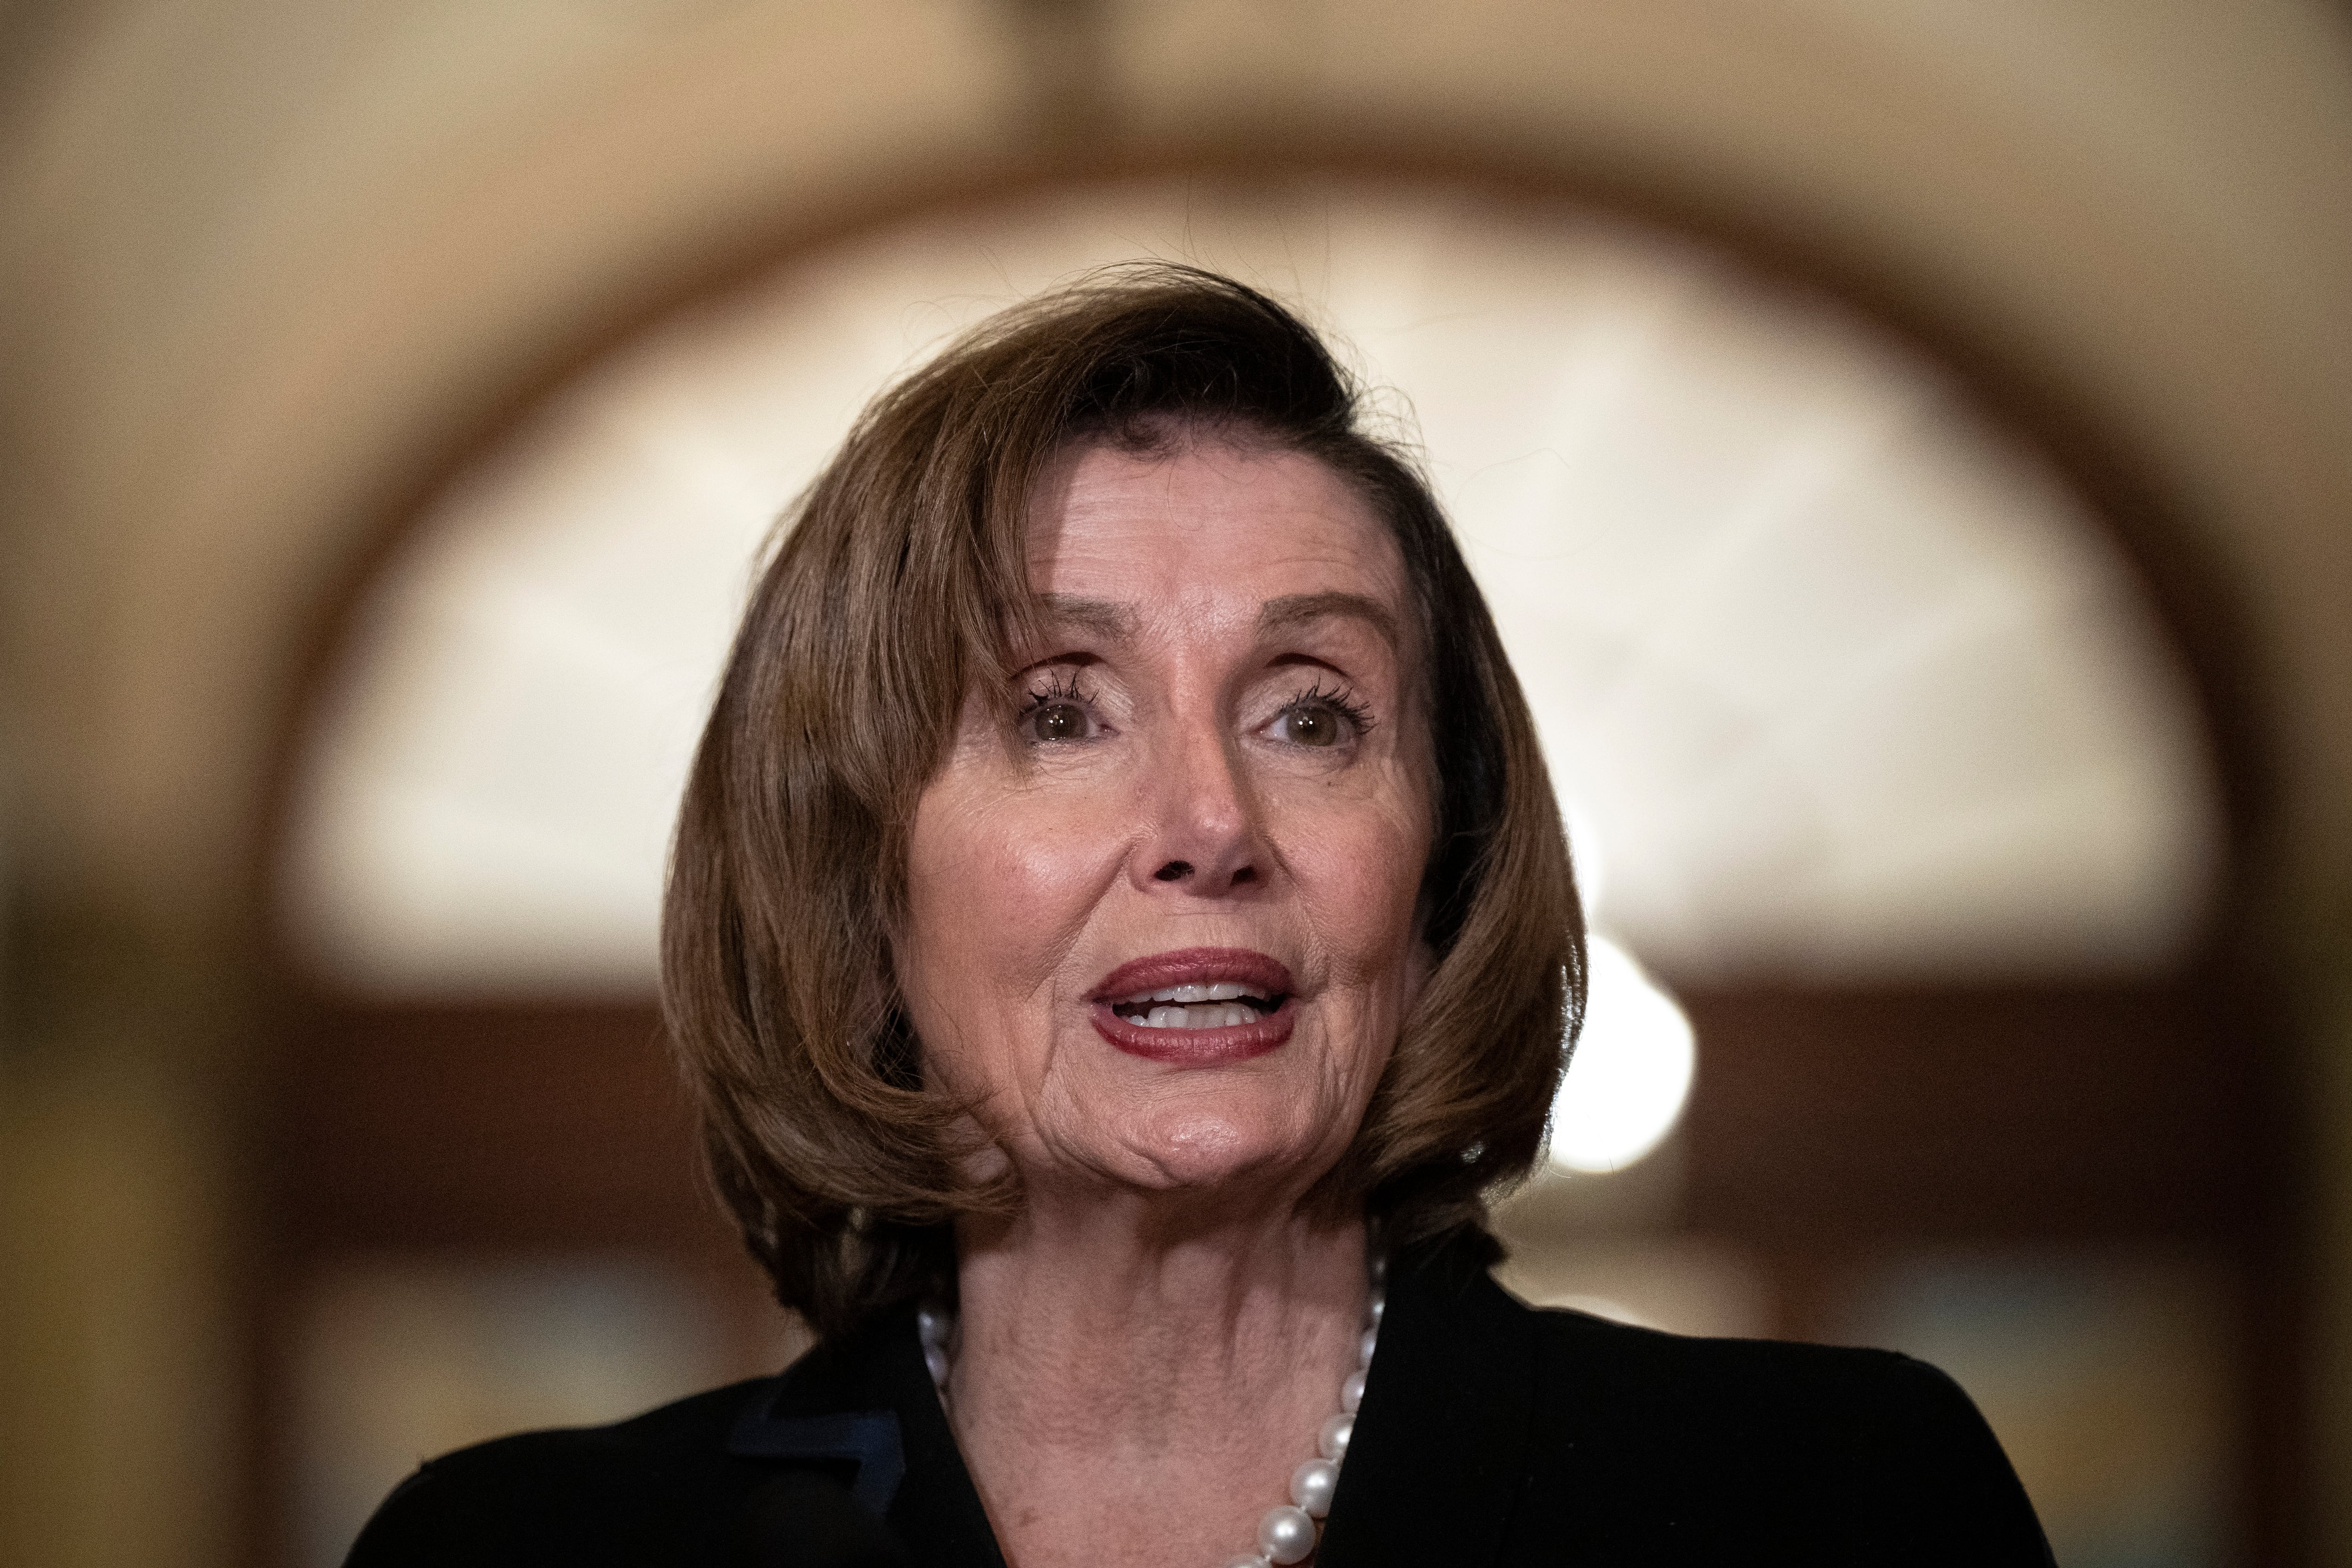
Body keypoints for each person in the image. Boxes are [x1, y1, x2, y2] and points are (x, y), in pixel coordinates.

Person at [347, 266, 2051, 1567]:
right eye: (1058, 710)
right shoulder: (519, 1556)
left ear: (1443, 857)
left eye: (1311, 712)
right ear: (857, 877)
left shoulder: (1833, 1505)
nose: (1211, 825)